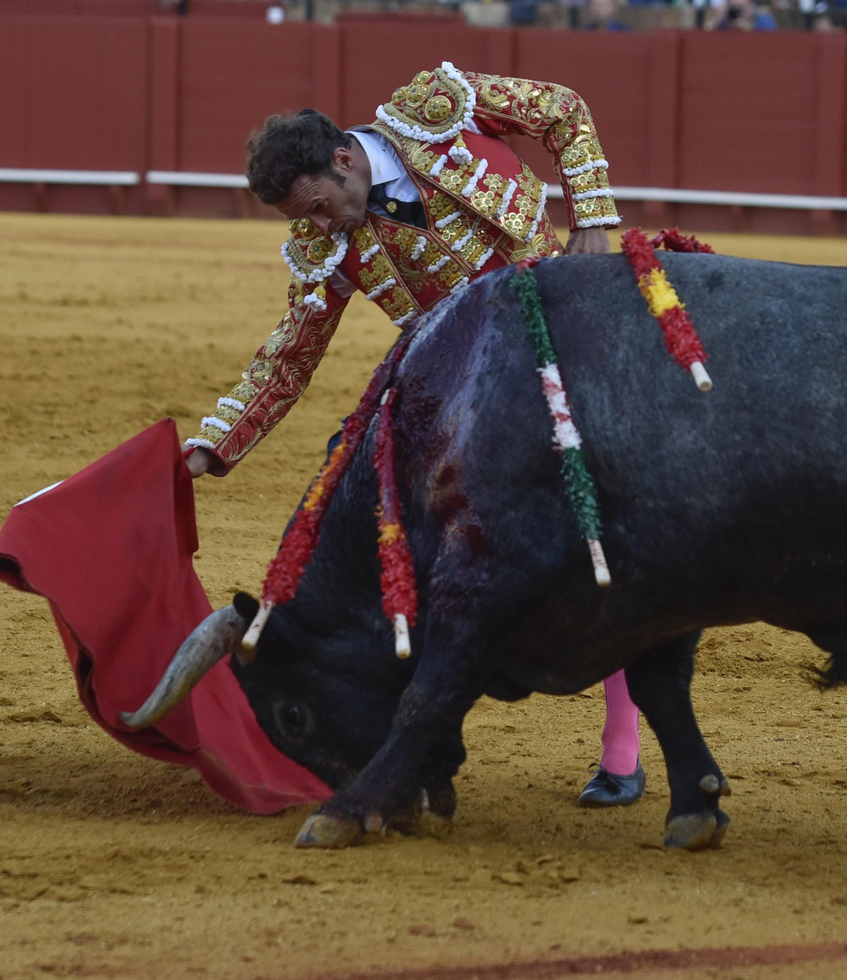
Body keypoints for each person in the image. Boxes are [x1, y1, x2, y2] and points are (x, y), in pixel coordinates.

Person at [181, 63, 648, 809]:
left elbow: (562, 109)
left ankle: (622, 750)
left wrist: (592, 217)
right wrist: (214, 444)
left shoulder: (437, 108)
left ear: (342, 160)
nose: (322, 225)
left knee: (605, 533)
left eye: (322, 206)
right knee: (382, 515)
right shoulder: (323, 244)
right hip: (467, 386)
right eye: (306, 219)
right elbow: (292, 352)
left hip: (571, 331)